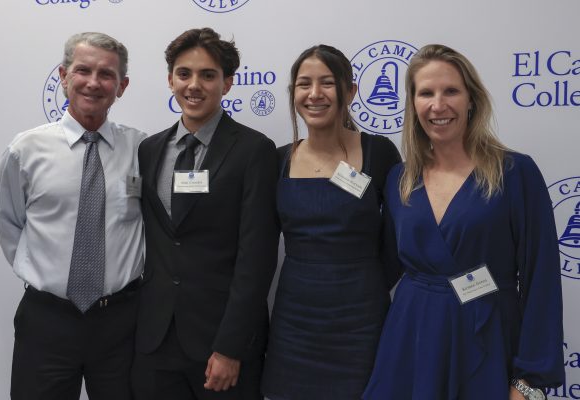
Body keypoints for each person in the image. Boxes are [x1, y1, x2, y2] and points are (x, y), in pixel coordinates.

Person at [363, 44, 564, 400]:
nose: (438, 105)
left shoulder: (515, 173)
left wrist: (528, 381)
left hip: (487, 338)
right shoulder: (399, 179)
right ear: (413, 104)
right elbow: (380, 268)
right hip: (411, 339)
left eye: (451, 91)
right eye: (426, 93)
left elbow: (541, 280)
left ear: (472, 98)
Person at [0, 32, 145, 400]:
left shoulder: (143, 149)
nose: (94, 82)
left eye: (106, 74)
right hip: (47, 320)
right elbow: (9, 223)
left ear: (121, 86)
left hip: (121, 323)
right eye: (83, 70)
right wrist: (44, 275)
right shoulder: (25, 150)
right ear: (63, 76)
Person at [131, 27, 279, 400]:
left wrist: (231, 346)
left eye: (208, 75)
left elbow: (256, 259)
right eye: (184, 74)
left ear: (227, 84)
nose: (194, 85)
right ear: (170, 80)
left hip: (220, 343)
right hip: (154, 340)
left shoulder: (254, 151)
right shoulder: (148, 150)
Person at [261, 45, 402, 400]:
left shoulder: (379, 152)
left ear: (350, 91)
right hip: (294, 321)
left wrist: (363, 281)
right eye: (304, 84)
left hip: (363, 321)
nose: (314, 94)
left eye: (327, 83)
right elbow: (258, 245)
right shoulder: (277, 160)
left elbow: (400, 239)